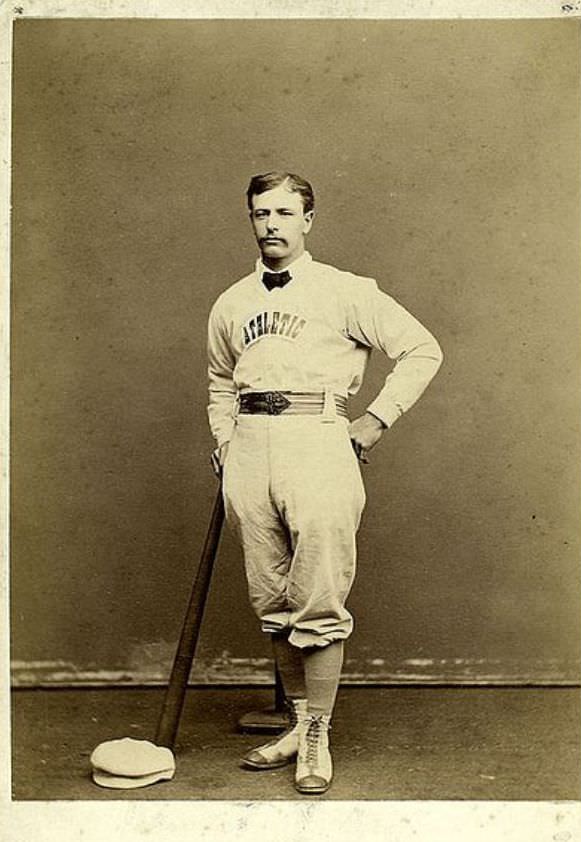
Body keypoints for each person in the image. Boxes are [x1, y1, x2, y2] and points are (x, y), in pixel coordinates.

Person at [207, 171, 443, 796]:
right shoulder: (231, 301)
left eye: (285, 212)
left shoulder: (345, 290)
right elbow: (219, 382)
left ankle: (318, 734)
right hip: (250, 448)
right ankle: (293, 723)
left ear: (308, 219)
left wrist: (376, 419)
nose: (272, 225)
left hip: (318, 438)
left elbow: (421, 349)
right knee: (271, 599)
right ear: (251, 220)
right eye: (261, 214)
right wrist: (227, 445)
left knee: (317, 596)